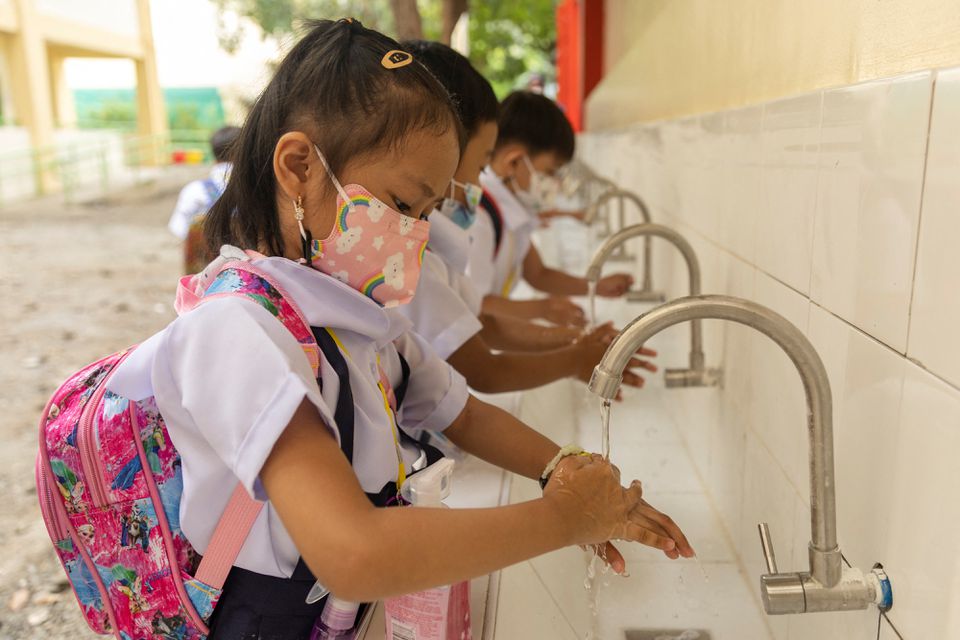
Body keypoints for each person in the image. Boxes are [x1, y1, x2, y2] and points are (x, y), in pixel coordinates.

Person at [106, 20, 692, 638]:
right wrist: (565, 519)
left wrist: (564, 469)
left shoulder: (358, 318)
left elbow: (462, 412)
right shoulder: (238, 329)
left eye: (430, 211)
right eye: (404, 205)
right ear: (300, 166)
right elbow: (354, 553)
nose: (416, 233)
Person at [398, 39, 656, 394]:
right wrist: (574, 351)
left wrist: (579, 340)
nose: (478, 181)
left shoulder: (455, 238)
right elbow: (484, 364)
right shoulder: (463, 230)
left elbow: (486, 319)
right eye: (480, 163)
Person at [467, 91, 635, 327]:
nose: (554, 183)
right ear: (513, 162)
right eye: (549, 171)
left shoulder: (509, 213)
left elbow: (537, 274)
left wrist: (595, 287)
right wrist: (543, 309)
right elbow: (474, 306)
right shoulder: (481, 217)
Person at [167, 125, 240, 273]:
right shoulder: (257, 190)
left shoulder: (194, 191)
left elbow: (179, 229)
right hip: (248, 276)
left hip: (204, 274)